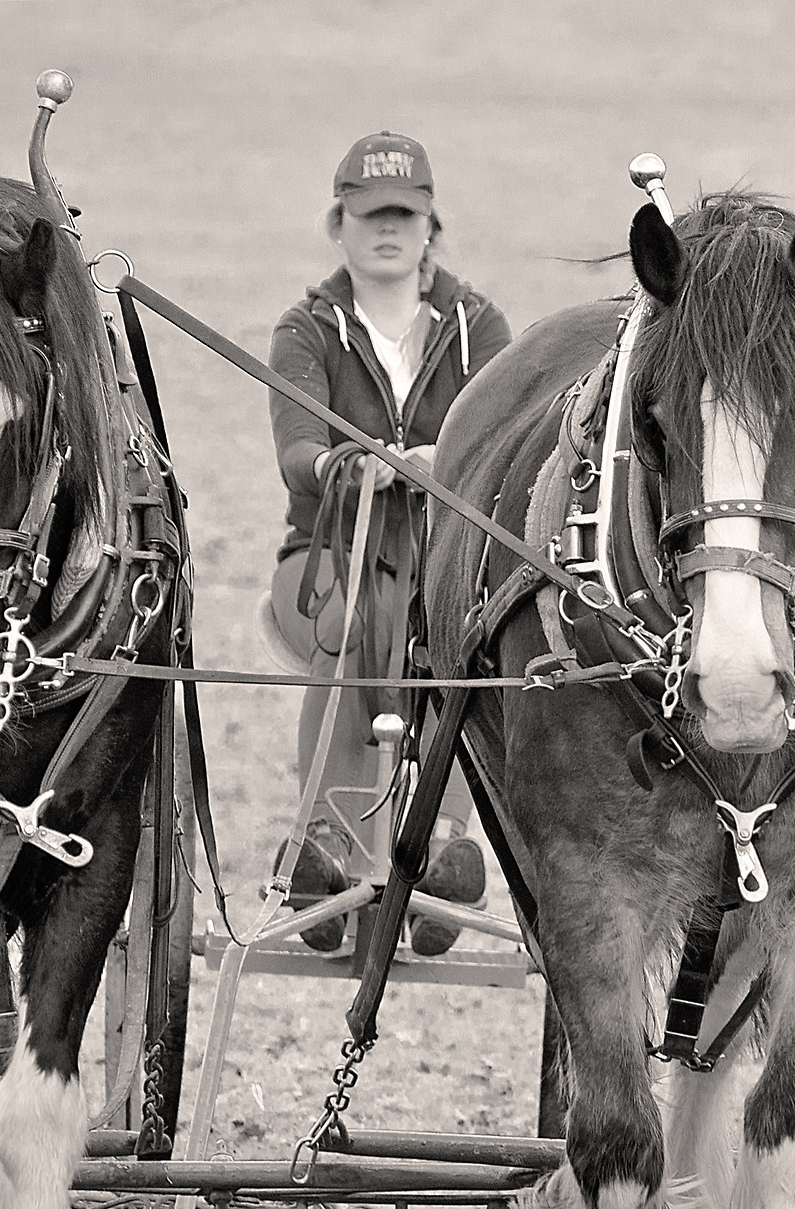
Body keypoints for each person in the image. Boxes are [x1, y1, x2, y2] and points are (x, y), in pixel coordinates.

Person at [263, 132, 511, 954]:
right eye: (370, 214)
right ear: (339, 223)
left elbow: (509, 441)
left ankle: (442, 847)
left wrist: (447, 461)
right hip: (325, 560)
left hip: (445, 570)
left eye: (404, 214)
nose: (388, 229)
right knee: (348, 623)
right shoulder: (305, 330)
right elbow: (298, 451)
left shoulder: (480, 328)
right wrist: (346, 463)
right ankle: (325, 844)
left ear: (430, 224)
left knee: (468, 634)